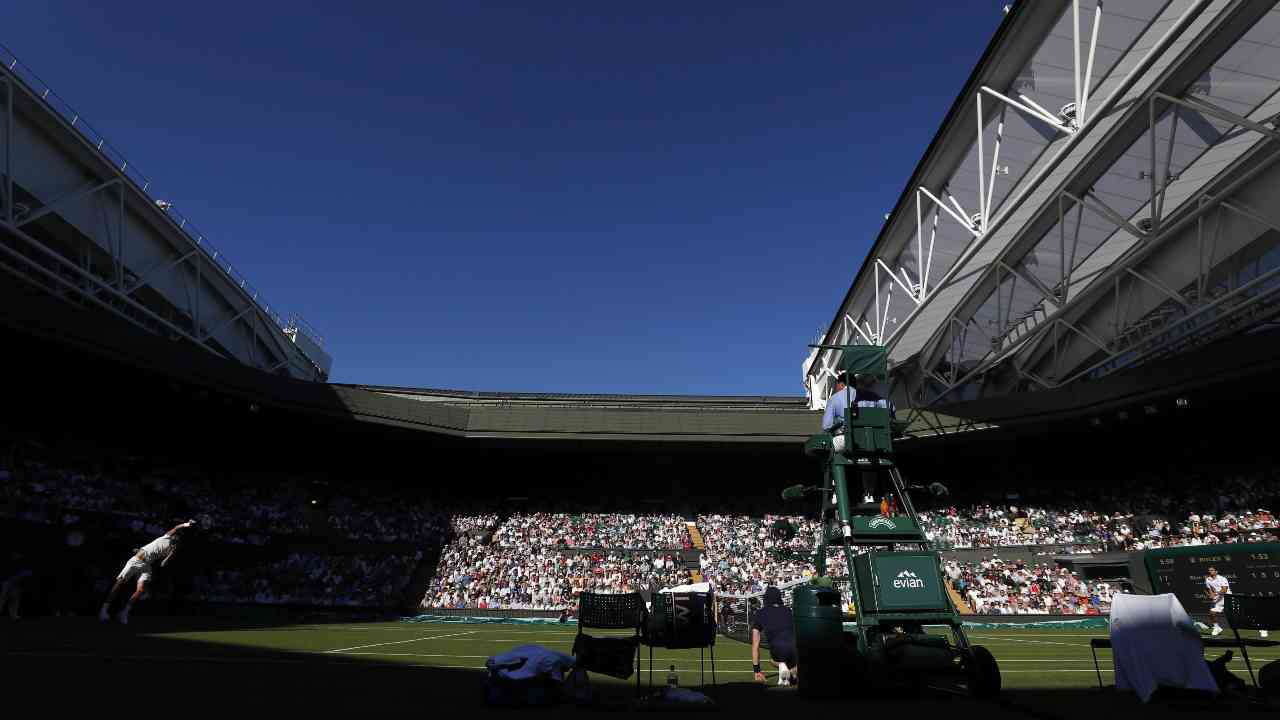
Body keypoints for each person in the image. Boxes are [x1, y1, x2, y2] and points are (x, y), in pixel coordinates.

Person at [99, 519, 196, 625]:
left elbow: (163, 564)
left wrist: (171, 553)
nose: (176, 537)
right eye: (177, 536)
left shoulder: (171, 549)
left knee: (140, 590)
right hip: (136, 561)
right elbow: (177, 527)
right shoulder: (166, 536)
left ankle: (124, 612)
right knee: (119, 584)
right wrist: (187, 524)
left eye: (178, 539)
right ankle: (104, 610)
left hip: (147, 566)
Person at [751, 586, 797, 686]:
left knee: (772, 661)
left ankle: (782, 665)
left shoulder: (759, 613)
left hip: (777, 650)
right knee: (795, 664)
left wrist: (757, 671)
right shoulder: (788, 611)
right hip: (794, 649)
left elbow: (755, 645)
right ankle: (792, 670)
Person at [1204, 566, 1230, 637]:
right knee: (1211, 613)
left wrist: (1215, 594)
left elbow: (1224, 590)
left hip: (1227, 597)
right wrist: (1211, 594)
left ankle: (1262, 629)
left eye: (1212, 570)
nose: (1210, 571)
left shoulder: (1222, 578)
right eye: (1209, 570)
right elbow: (1209, 589)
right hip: (1217, 598)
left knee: (1236, 615)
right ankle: (1216, 627)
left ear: (1216, 571)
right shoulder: (1208, 580)